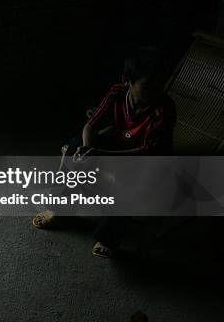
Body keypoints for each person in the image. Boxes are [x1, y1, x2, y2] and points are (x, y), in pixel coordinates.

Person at [32, 46, 177, 258]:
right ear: (127, 81)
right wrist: (88, 150)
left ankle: (109, 236)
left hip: (148, 159)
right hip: (121, 141)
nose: (156, 90)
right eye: (148, 85)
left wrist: (101, 155)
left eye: (160, 85)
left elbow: (147, 152)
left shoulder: (163, 109)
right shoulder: (117, 93)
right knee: (74, 149)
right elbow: (90, 125)